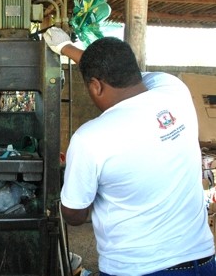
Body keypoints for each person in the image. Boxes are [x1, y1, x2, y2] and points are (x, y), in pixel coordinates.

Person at [44, 27, 216, 275]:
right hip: (202, 260)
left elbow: (74, 215)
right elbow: (122, 72)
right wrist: (67, 48)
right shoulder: (173, 89)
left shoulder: (89, 138)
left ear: (95, 86)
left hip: (138, 268)